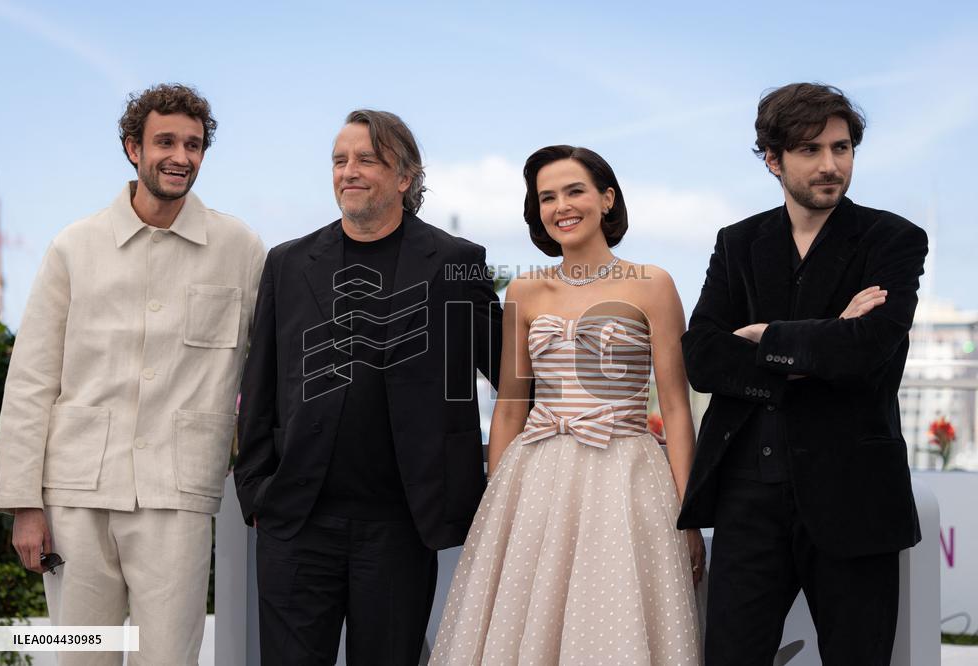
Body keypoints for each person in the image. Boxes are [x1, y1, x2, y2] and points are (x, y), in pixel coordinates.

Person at [0, 83, 265, 665]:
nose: (180, 156)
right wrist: (23, 504)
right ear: (132, 148)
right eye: (165, 142)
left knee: (167, 657)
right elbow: (31, 380)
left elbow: (267, 369)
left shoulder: (240, 249)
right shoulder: (74, 247)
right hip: (75, 495)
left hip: (178, 494)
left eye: (193, 145)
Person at [233, 109, 503, 665]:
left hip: (402, 524)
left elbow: (511, 373)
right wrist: (256, 488)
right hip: (296, 520)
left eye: (366, 159)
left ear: (405, 177)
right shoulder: (287, 263)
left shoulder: (456, 263)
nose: (348, 171)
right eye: (340, 160)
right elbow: (259, 383)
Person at [678, 82, 928, 665]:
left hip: (855, 495)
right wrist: (824, 337)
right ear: (773, 159)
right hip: (747, 495)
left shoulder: (894, 239)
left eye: (841, 148)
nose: (830, 165)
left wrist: (764, 336)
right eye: (810, 150)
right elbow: (702, 357)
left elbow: (866, 352)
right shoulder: (738, 242)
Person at [431, 145, 704, 665]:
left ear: (607, 199)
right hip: (535, 480)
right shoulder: (524, 290)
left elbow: (675, 408)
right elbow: (510, 407)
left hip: (626, 479)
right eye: (547, 197)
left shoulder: (654, 284)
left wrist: (690, 515)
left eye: (574, 191)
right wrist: (498, 507)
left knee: (615, 625)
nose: (561, 206)